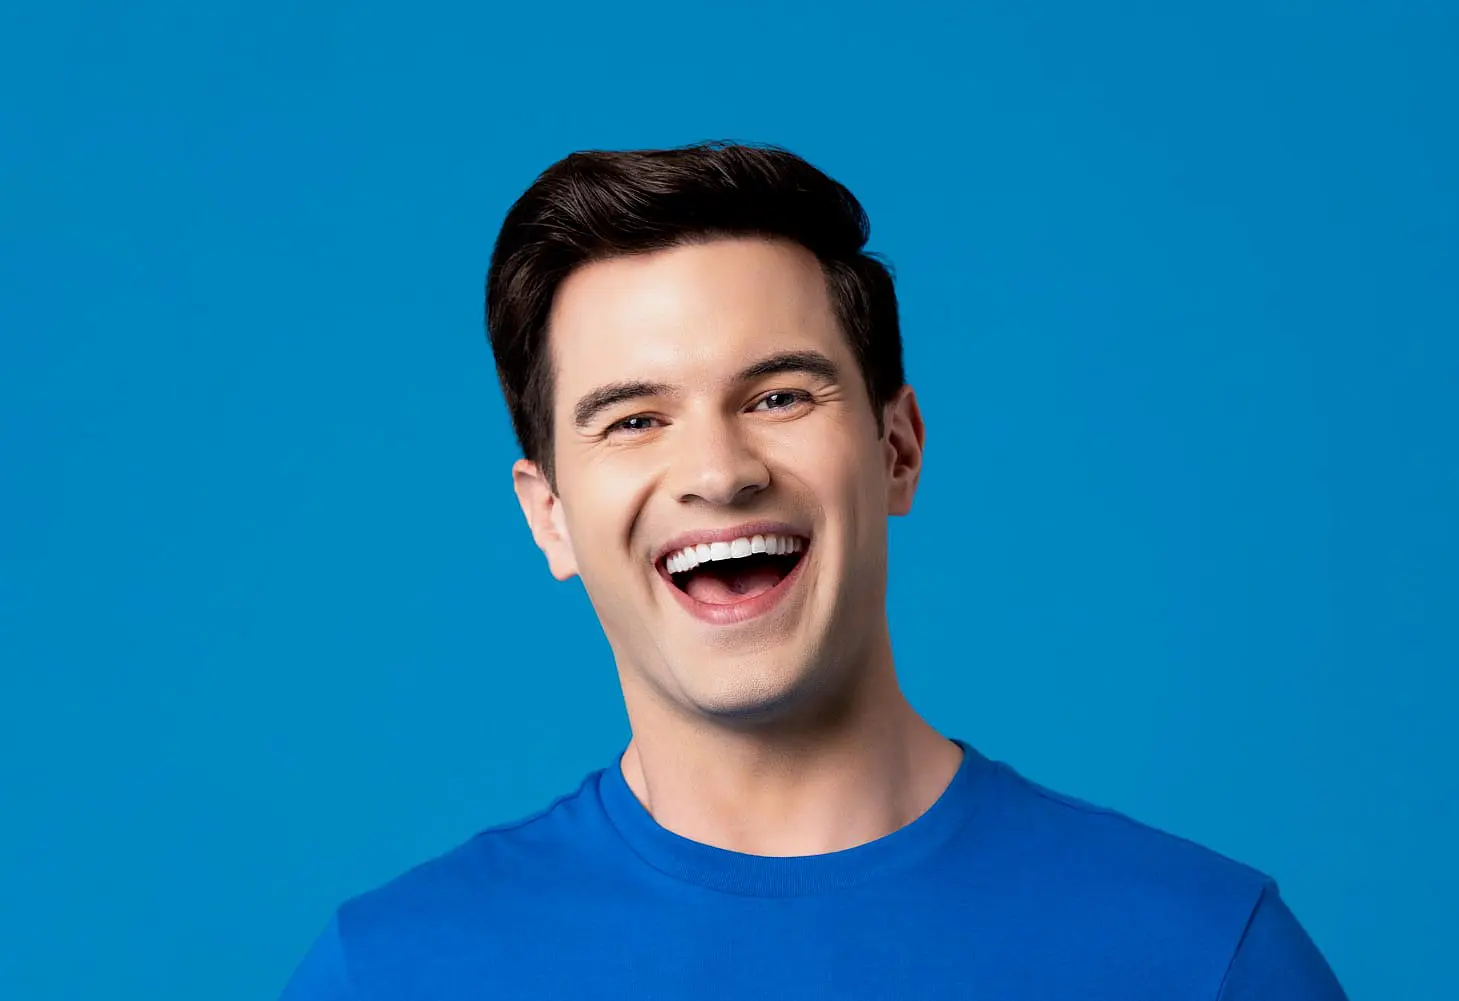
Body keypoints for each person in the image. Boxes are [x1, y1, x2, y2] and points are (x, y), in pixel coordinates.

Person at [279, 141, 1347, 1000]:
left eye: (779, 396)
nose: (717, 471)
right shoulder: (394, 972)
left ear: (898, 448)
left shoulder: (1203, 953)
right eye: (634, 418)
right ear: (549, 515)